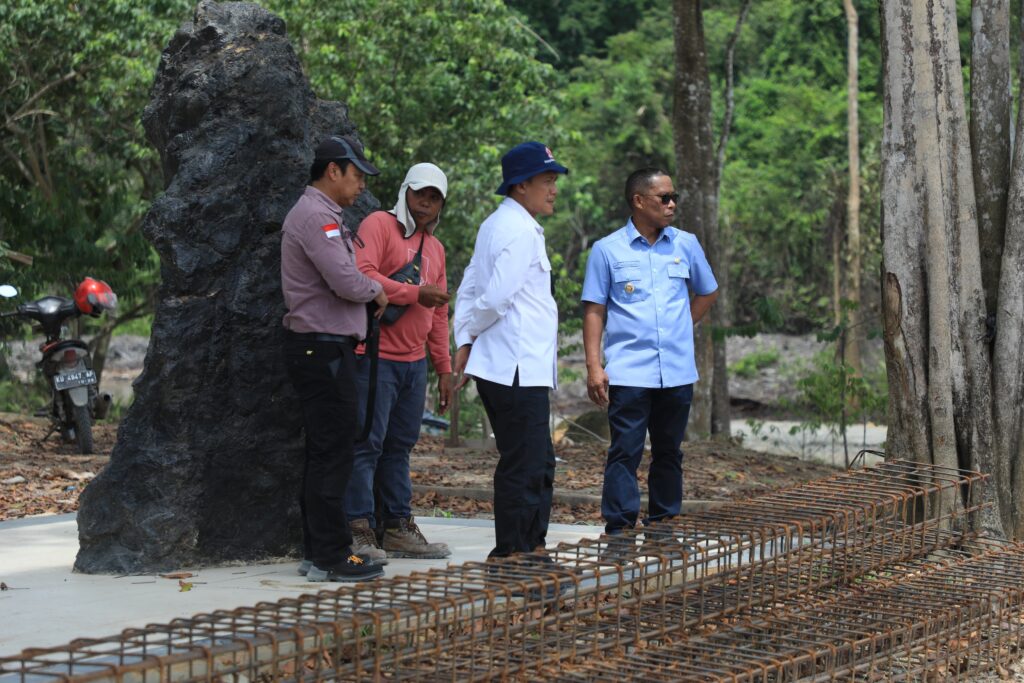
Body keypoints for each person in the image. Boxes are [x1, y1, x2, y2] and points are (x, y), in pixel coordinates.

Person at [580, 167, 718, 538]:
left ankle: (664, 525)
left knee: (669, 452)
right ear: (639, 201)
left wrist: (682, 325)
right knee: (625, 452)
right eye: (664, 198)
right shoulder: (607, 250)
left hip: (676, 370)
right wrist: (594, 367)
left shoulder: (685, 244)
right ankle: (620, 529)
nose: (672, 205)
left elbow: (708, 291)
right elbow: (594, 309)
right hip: (629, 371)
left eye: (675, 198)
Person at [280, 134, 389, 582]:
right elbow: (345, 279)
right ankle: (336, 556)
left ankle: (318, 552)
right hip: (321, 347)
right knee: (333, 453)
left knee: (327, 451)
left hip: (322, 347)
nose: (361, 183)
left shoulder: (323, 215)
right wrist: (376, 289)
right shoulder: (316, 217)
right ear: (333, 171)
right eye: (356, 174)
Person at [452, 141, 568, 559]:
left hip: (517, 366)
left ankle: (532, 549)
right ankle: (512, 557)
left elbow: (469, 284)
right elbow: (495, 298)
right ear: (520, 186)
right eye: (547, 181)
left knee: (537, 461)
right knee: (525, 464)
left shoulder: (497, 225)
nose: (553, 189)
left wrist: (465, 338)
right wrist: (471, 336)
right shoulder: (517, 230)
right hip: (514, 366)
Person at [345, 163, 453, 561]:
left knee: (400, 447)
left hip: (414, 363)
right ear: (405, 191)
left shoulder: (436, 249)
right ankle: (358, 529)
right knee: (366, 444)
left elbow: (439, 313)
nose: (425, 203)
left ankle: (397, 527)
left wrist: (443, 368)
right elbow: (361, 273)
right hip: (374, 357)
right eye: (420, 193)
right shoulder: (378, 225)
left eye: (434, 197)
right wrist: (413, 293)